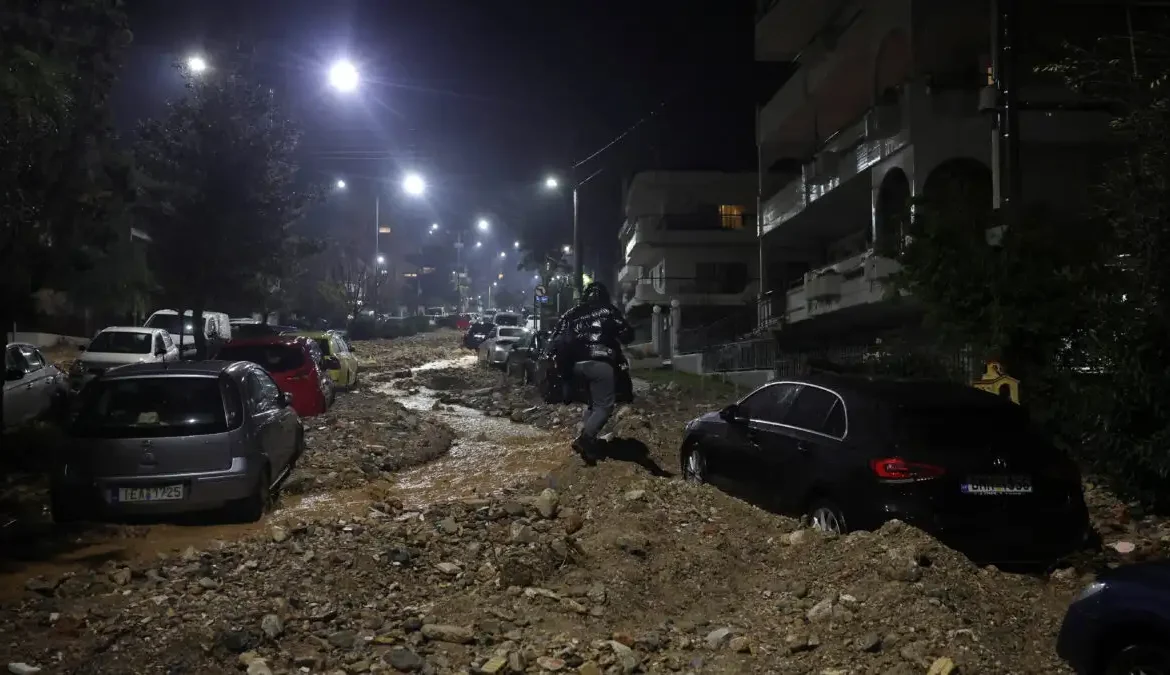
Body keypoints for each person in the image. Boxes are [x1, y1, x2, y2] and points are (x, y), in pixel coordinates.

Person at [548, 282, 634, 464]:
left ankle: (589, 446)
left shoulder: (571, 313)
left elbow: (555, 339)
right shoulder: (609, 311)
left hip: (575, 367)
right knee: (604, 406)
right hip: (601, 363)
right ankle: (585, 439)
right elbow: (627, 334)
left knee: (592, 404)